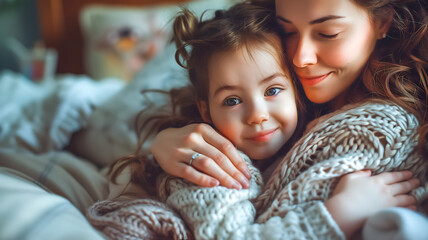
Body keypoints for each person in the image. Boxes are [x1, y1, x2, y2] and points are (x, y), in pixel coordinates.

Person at [146, 0, 428, 238]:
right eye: (287, 31)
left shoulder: (387, 128)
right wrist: (162, 145)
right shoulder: (220, 160)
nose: (300, 59)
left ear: (382, 21)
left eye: (328, 32)